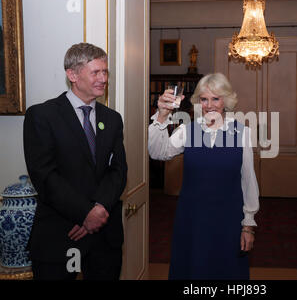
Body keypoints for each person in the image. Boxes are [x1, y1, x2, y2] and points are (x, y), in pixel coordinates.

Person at [23, 43, 127, 280]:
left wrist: (98, 210)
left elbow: (118, 171)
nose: (103, 78)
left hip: (104, 237)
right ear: (72, 74)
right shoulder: (42, 116)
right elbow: (45, 176)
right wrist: (84, 213)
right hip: (60, 234)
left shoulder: (112, 119)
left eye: (105, 72)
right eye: (96, 72)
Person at [148, 73, 259, 280]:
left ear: (226, 100)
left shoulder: (242, 133)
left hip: (229, 221)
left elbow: (248, 181)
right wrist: (161, 116)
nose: (209, 105)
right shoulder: (187, 131)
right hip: (192, 220)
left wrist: (248, 226)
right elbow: (158, 152)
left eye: (215, 98)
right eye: (204, 99)